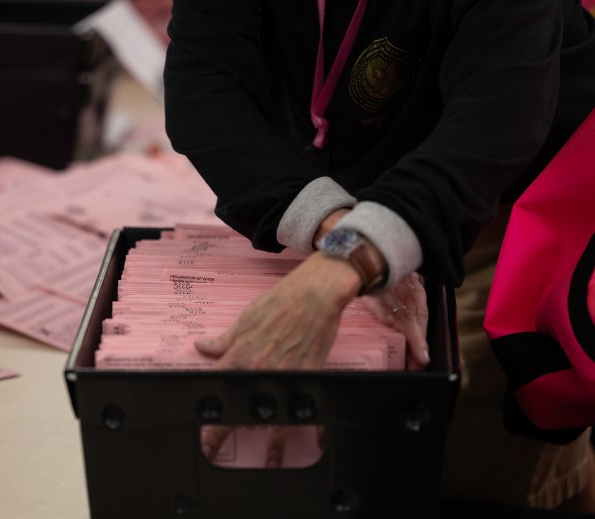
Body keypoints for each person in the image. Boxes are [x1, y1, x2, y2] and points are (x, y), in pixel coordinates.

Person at [162, 0, 595, 512]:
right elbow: (205, 88)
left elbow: (496, 116)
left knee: (464, 450)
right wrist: (336, 227)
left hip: (501, 211)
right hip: (336, 196)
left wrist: (346, 263)